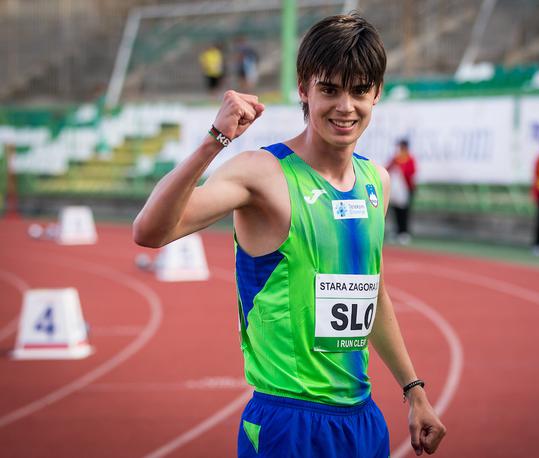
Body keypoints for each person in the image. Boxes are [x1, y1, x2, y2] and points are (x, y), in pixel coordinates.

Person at [134, 13, 446, 458]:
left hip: (363, 421)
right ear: (304, 88)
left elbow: (371, 293)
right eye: (330, 89)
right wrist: (213, 142)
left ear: (377, 93)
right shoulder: (263, 174)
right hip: (288, 423)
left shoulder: (376, 180)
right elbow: (149, 231)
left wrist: (414, 391)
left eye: (359, 91)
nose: (345, 107)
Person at [387, 138, 417, 244]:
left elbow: (411, 173)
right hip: (396, 191)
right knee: (395, 210)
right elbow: (387, 169)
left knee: (404, 212)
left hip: (406, 189)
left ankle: (404, 232)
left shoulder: (410, 159)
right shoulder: (396, 158)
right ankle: (397, 230)